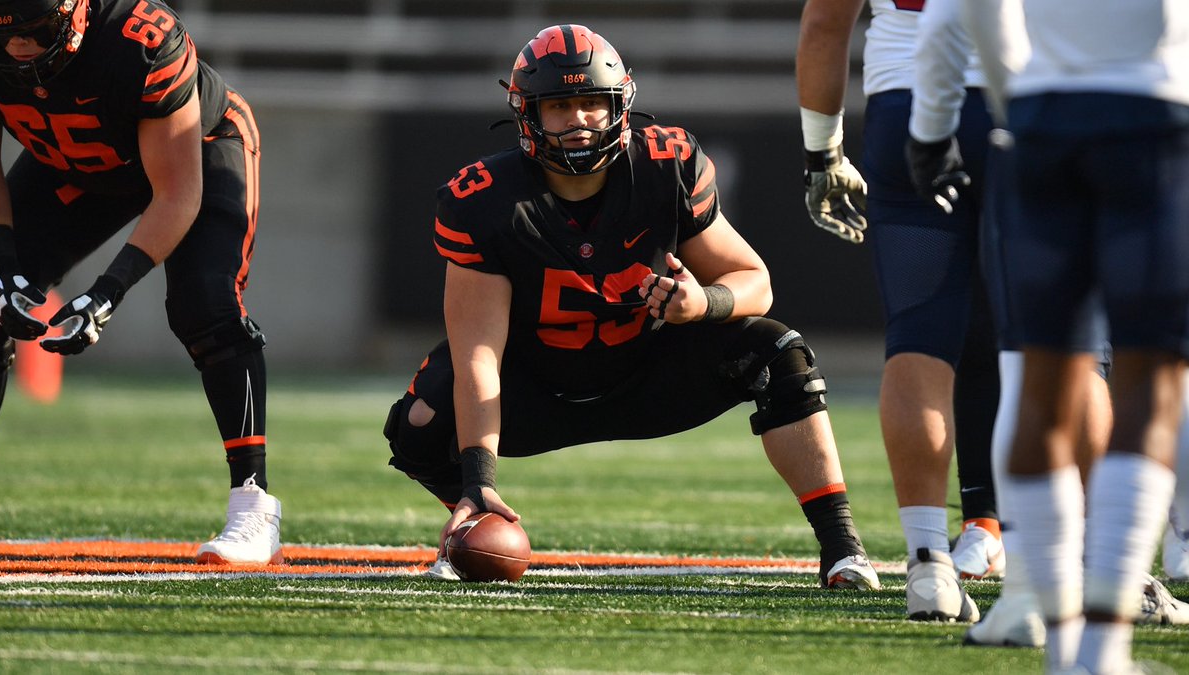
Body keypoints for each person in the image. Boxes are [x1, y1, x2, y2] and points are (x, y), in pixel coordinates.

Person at [383, 24, 879, 590]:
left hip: (648, 377)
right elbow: (478, 355)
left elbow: (755, 282)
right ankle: (476, 521)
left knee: (777, 352)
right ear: (528, 113)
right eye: (561, 105)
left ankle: (843, 551)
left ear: (619, 103)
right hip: (538, 389)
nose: (579, 119)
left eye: (592, 102)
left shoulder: (665, 165)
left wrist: (703, 303)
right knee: (419, 423)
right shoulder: (485, 199)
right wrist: (476, 478)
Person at [906, 0, 1189, 649]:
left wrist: (941, 126)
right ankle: (1101, 647)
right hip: (1154, 114)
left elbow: (954, 14)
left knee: (1038, 376)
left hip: (1040, 120)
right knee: (1147, 381)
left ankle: (1050, 626)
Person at [0, 0, 280, 565]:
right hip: (74, 164)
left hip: (194, 151)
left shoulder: (141, 40)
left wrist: (107, 291)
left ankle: (253, 506)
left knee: (206, 306)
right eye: (4, 35)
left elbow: (176, 194)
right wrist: (1, 265)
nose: (19, 50)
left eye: (35, 31)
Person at [796, 0, 1001, 621]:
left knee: (919, 337)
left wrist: (822, 153)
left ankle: (928, 563)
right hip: (1027, 96)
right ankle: (1100, 566)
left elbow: (825, 23)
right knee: (1063, 345)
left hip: (906, 100)